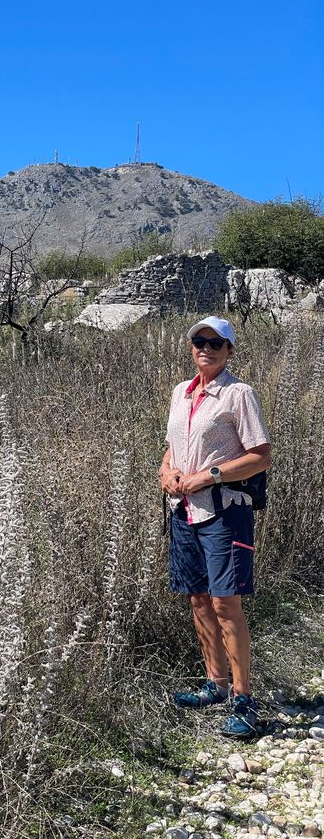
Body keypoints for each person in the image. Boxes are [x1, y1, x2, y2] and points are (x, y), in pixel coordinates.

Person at [158, 316, 271, 738]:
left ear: (229, 350)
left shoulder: (238, 394)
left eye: (216, 342)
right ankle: (215, 685)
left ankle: (244, 699)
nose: (206, 348)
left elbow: (261, 455)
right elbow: (174, 446)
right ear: (191, 348)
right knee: (199, 599)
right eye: (199, 341)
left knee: (227, 603)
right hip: (184, 511)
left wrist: (210, 475)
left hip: (225, 510)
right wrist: (166, 471)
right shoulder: (180, 393)